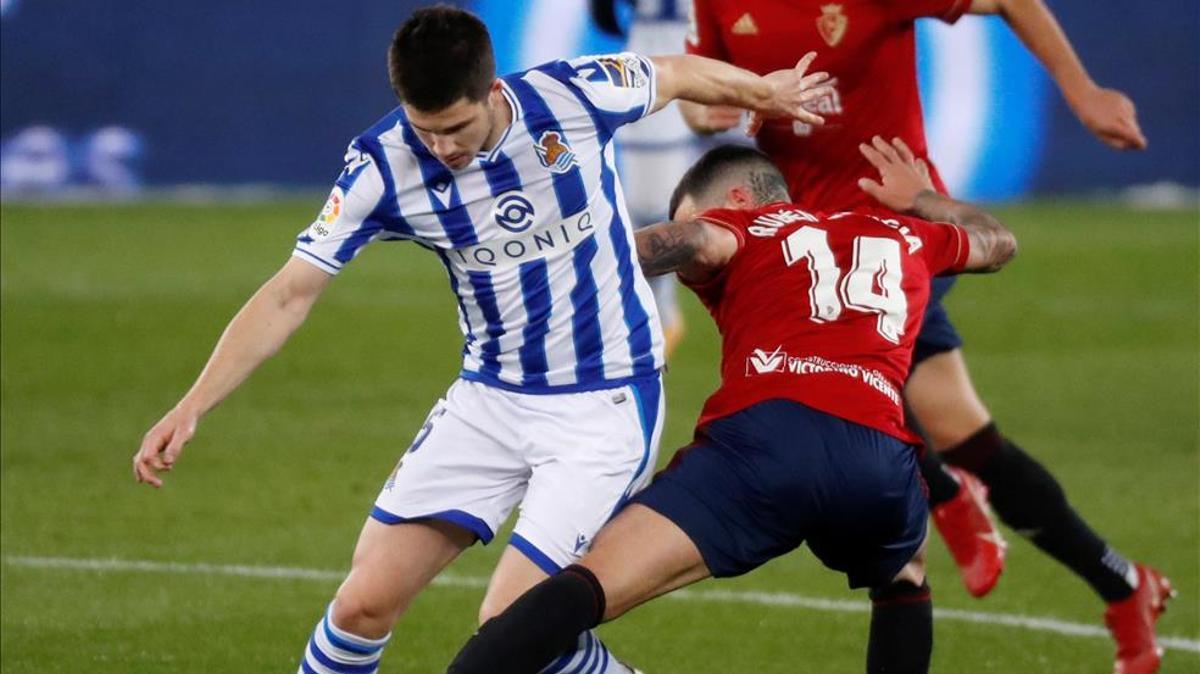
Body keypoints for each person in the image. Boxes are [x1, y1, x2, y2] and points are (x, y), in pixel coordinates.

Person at [130, 6, 834, 674]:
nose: (442, 148)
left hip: (602, 406)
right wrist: (192, 404)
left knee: (516, 627)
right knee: (361, 604)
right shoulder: (384, 165)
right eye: (425, 129)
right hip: (488, 400)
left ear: (492, 91)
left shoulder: (571, 97)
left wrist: (762, 92)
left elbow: (675, 72)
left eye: (457, 128)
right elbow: (289, 294)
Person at [680, 1, 1172, 671]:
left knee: (841, 389)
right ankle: (1121, 583)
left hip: (896, 227)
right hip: (806, 246)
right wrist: (708, 110)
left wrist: (1082, 92)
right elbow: (700, 94)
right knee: (969, 436)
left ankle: (942, 491)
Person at [446, 139, 1017, 674]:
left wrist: (572, 264)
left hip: (762, 447)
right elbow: (997, 245)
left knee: (586, 587)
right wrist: (924, 199)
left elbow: (689, 243)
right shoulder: (903, 233)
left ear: (737, 199)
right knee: (904, 574)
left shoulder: (745, 225)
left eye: (698, 211)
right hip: (877, 461)